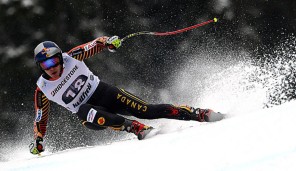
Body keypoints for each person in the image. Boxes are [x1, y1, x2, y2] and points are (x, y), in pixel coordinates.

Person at [29, 35, 224, 155]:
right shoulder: (42, 89)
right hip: (92, 116)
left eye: (54, 61)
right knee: (83, 110)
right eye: (46, 65)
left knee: (147, 110)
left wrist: (108, 42)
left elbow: (94, 44)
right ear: (40, 67)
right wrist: (38, 140)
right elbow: (40, 118)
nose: (52, 68)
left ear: (60, 58)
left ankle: (197, 113)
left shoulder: (71, 57)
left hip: (105, 93)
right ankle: (134, 128)